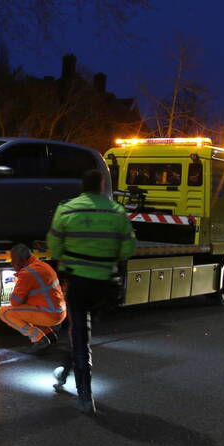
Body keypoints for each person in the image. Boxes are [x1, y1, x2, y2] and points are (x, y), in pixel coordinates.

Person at [47, 169, 136, 414]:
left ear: (82, 187)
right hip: (104, 284)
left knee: (79, 334)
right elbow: (128, 248)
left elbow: (53, 246)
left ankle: (85, 396)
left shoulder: (67, 209)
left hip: (77, 282)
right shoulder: (117, 212)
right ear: (101, 186)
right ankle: (64, 373)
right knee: (80, 332)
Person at [0, 244, 66, 354]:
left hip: (49, 314)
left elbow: (15, 302)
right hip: (59, 312)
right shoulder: (42, 265)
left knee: (4, 312)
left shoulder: (27, 273)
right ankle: (49, 336)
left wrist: (17, 283)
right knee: (29, 309)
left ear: (22, 260)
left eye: (14, 260)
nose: (12, 263)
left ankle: (39, 339)